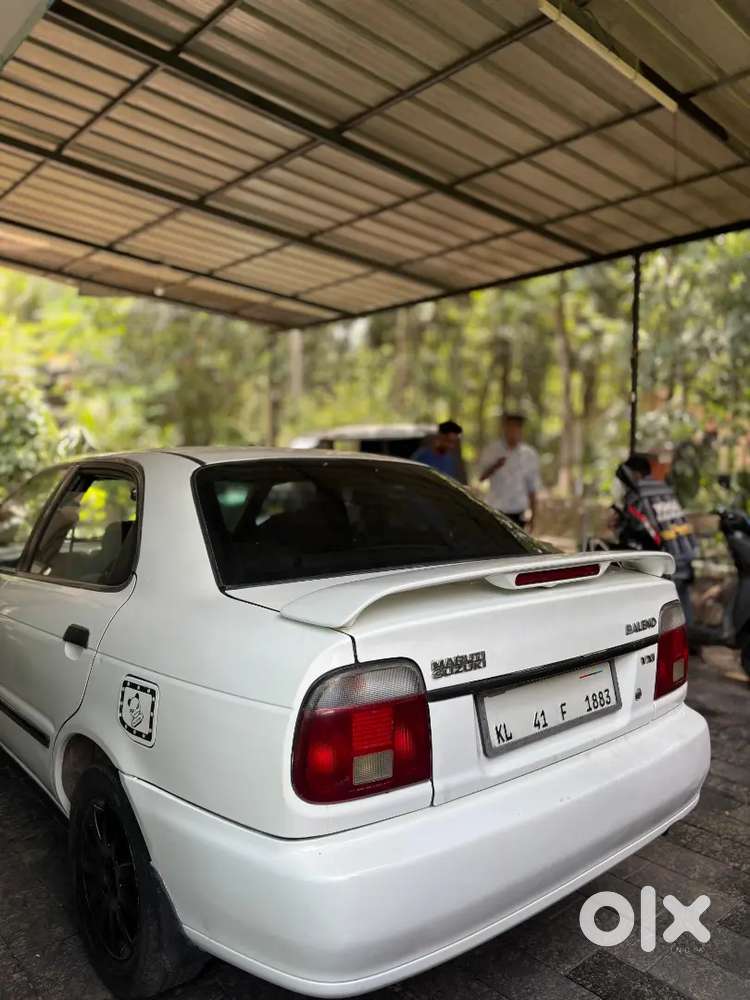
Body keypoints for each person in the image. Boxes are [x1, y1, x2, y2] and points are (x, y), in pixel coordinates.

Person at [479, 413, 540, 529]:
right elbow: (481, 477)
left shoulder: (529, 454)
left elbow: (532, 488)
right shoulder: (492, 450)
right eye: (509, 427)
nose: (512, 431)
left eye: (516, 428)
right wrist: (495, 466)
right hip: (495, 508)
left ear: (521, 430)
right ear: (504, 428)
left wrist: (533, 516)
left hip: (518, 511)